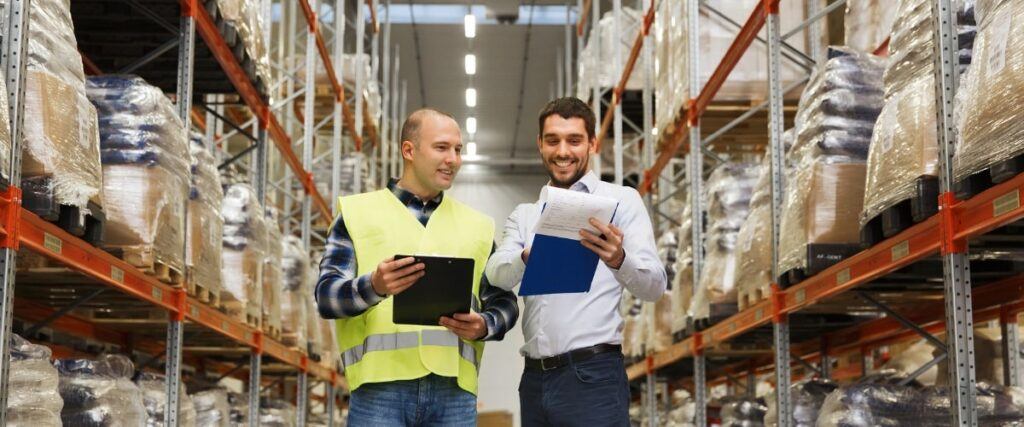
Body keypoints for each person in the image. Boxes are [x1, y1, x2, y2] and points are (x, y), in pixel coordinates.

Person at [316, 108, 519, 426]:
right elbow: (327, 297)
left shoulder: (477, 226)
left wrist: (485, 324)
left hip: (453, 395)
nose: (453, 159)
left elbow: (504, 302)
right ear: (408, 151)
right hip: (379, 394)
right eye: (441, 147)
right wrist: (374, 286)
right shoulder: (358, 214)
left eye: (457, 149)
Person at [485, 97, 667, 426]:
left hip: (592, 377)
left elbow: (655, 286)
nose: (563, 151)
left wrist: (619, 259)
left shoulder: (620, 201)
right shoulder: (525, 215)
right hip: (535, 381)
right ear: (540, 144)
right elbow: (496, 274)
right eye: (553, 140)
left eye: (574, 140)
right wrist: (527, 256)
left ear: (593, 143)